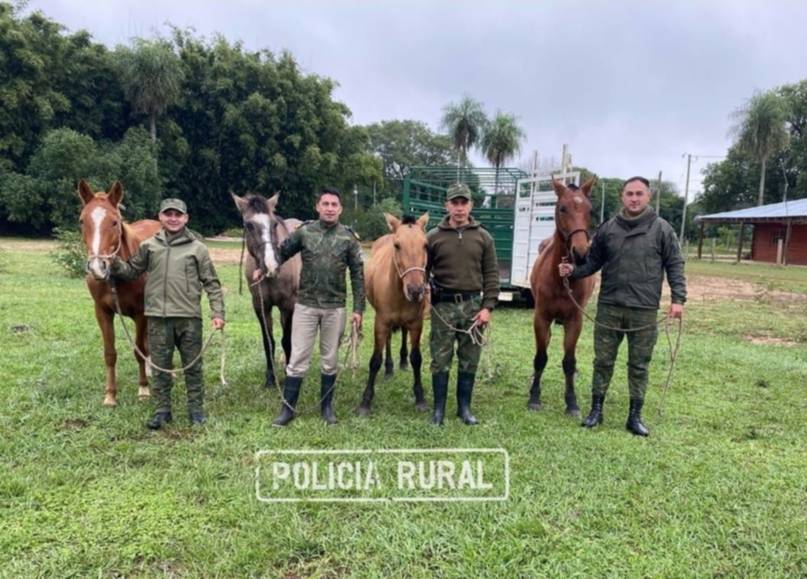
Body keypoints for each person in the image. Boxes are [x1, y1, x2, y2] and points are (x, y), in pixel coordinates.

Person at [559, 176, 686, 436]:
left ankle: (635, 416)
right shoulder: (608, 229)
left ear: (648, 196)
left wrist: (678, 299)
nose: (634, 198)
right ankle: (596, 410)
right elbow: (592, 263)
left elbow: (675, 264)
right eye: (630, 194)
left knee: (639, 364)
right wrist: (573, 269)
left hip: (644, 309)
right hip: (610, 306)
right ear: (622, 197)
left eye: (640, 194)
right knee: (602, 361)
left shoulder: (662, 229)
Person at [111, 198, 225, 429]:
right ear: (161, 217)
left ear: (186, 218)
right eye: (168, 214)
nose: (173, 218)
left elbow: (211, 283)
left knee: (193, 367)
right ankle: (162, 411)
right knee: (161, 368)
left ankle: (196, 411)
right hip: (158, 318)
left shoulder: (198, 249)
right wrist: (113, 263)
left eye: (178, 214)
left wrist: (218, 312)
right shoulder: (149, 246)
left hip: (189, 318)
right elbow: (132, 271)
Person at [271, 186, 365, 427]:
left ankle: (327, 407)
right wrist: (266, 265)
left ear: (340, 209)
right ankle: (288, 410)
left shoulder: (348, 238)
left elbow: (357, 274)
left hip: (335, 308)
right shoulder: (304, 233)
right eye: (326, 204)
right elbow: (282, 254)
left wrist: (358, 309)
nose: (330, 208)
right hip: (305, 306)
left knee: (329, 359)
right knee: (298, 357)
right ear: (317, 207)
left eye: (334, 204)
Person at [427, 182, 499, 425]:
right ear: (446, 205)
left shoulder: (483, 237)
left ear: (471, 205)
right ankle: (438, 410)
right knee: (440, 357)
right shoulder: (433, 237)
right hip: (443, 305)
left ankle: (464, 408)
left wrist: (487, 307)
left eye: (463, 203)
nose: (459, 208)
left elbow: (491, 274)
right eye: (454, 203)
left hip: (472, 305)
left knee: (470, 357)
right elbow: (422, 271)